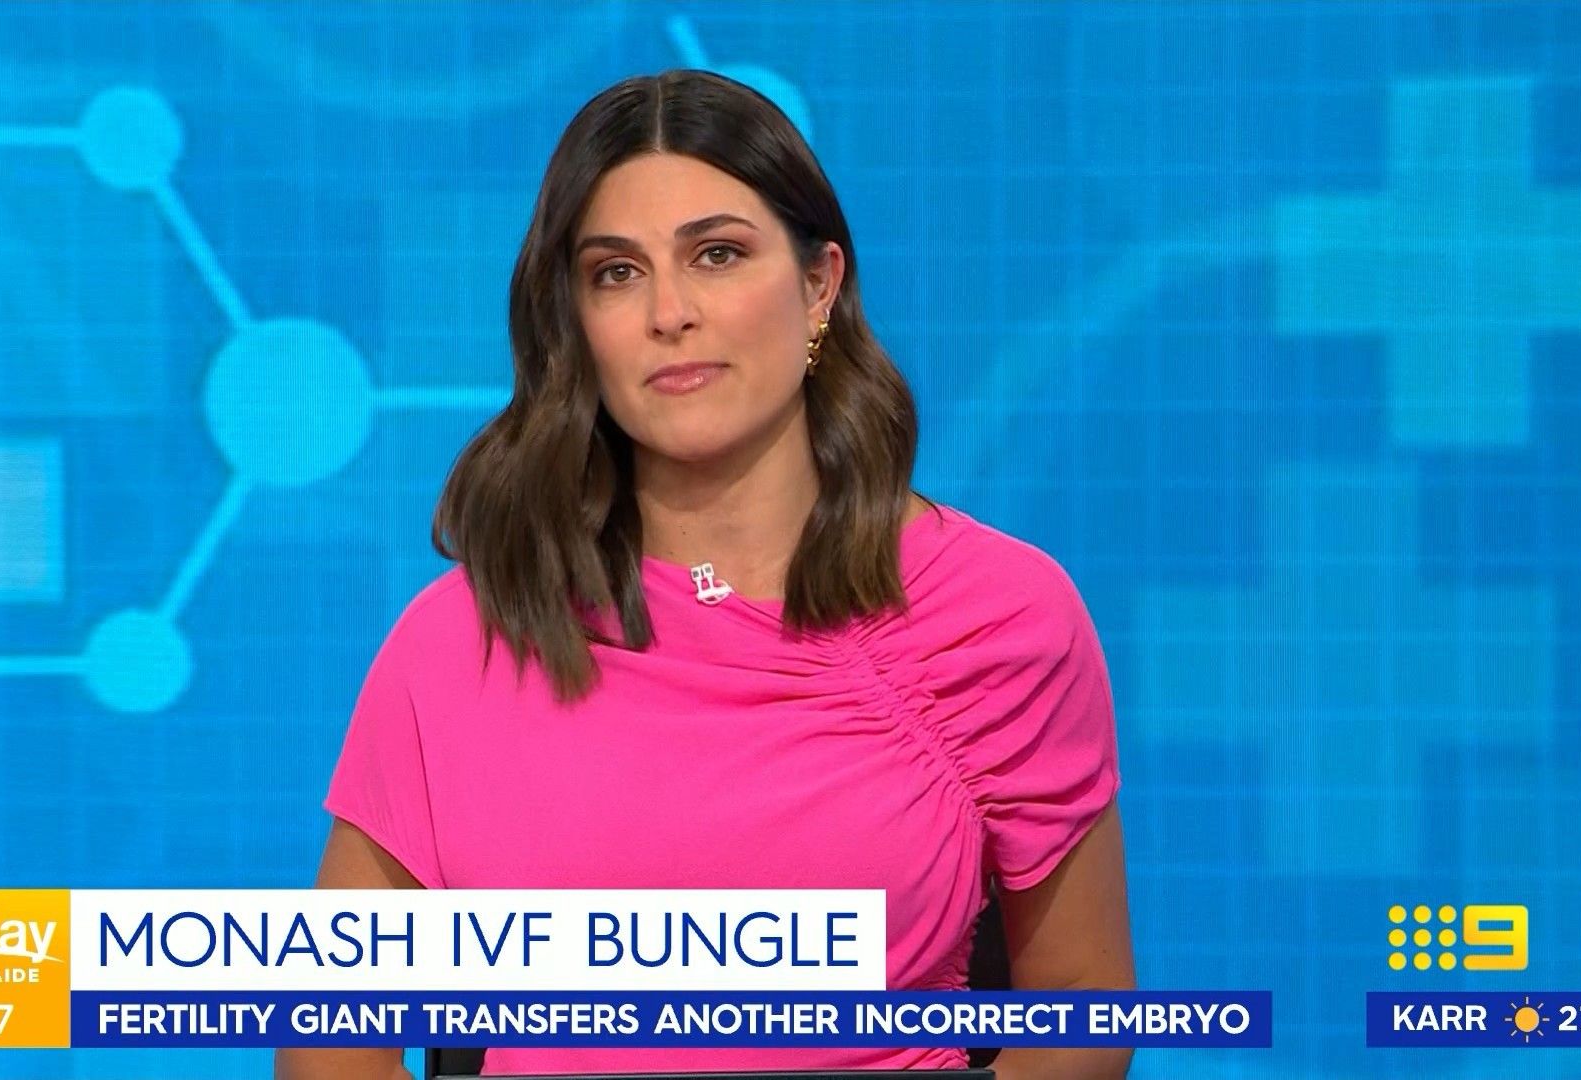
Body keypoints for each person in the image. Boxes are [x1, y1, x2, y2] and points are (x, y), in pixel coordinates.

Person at [276, 69, 1132, 1080]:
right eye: (616, 273)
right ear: (575, 323)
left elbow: (1080, 1007)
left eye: (717, 254)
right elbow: (331, 1044)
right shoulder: (462, 639)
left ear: (818, 285)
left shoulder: (996, 616)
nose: (668, 312)